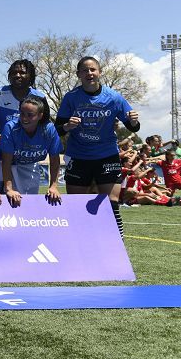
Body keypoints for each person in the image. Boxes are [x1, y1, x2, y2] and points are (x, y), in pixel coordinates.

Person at [56, 57, 140, 234]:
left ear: (99, 72)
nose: (89, 73)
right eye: (85, 70)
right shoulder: (71, 98)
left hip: (107, 155)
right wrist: (67, 126)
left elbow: (134, 126)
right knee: (77, 205)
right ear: (78, 74)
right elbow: (58, 129)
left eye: (93, 69)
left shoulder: (114, 97)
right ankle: (79, 243)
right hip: (79, 156)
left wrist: (133, 121)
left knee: (111, 203)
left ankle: (117, 244)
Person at [0, 95, 62, 206]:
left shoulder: (49, 130)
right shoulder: (11, 128)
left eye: (30, 115)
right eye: (22, 113)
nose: (24, 118)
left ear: (40, 116)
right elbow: (6, 162)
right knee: (9, 199)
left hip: (30, 166)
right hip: (9, 166)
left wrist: (53, 186)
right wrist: (9, 189)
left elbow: (55, 160)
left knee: (28, 203)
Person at [0, 59, 45, 133]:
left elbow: (44, 125)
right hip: (2, 143)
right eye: (14, 73)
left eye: (22, 73)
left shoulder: (40, 97)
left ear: (30, 76)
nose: (17, 75)